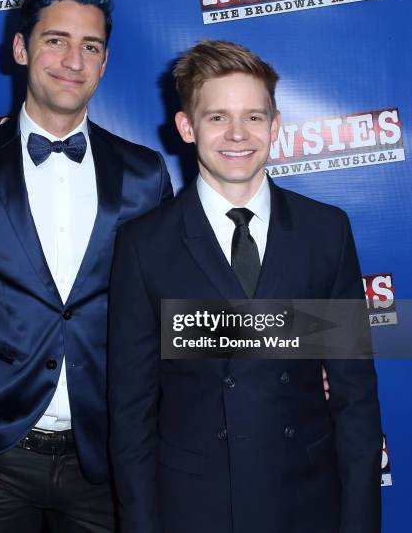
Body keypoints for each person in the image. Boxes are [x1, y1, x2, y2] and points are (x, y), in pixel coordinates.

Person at [0, 0, 172, 532]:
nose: (73, 59)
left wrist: (303, 345)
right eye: (56, 40)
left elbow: (169, 316)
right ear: (22, 48)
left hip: (112, 458)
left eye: (90, 46)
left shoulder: (145, 174)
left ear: (104, 61)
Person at [108, 40, 382, 533]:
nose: (238, 134)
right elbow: (131, 413)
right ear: (186, 128)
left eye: (254, 117)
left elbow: (355, 397)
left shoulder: (326, 231)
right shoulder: (144, 245)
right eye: (217, 118)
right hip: (195, 507)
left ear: (275, 126)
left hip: (306, 502)